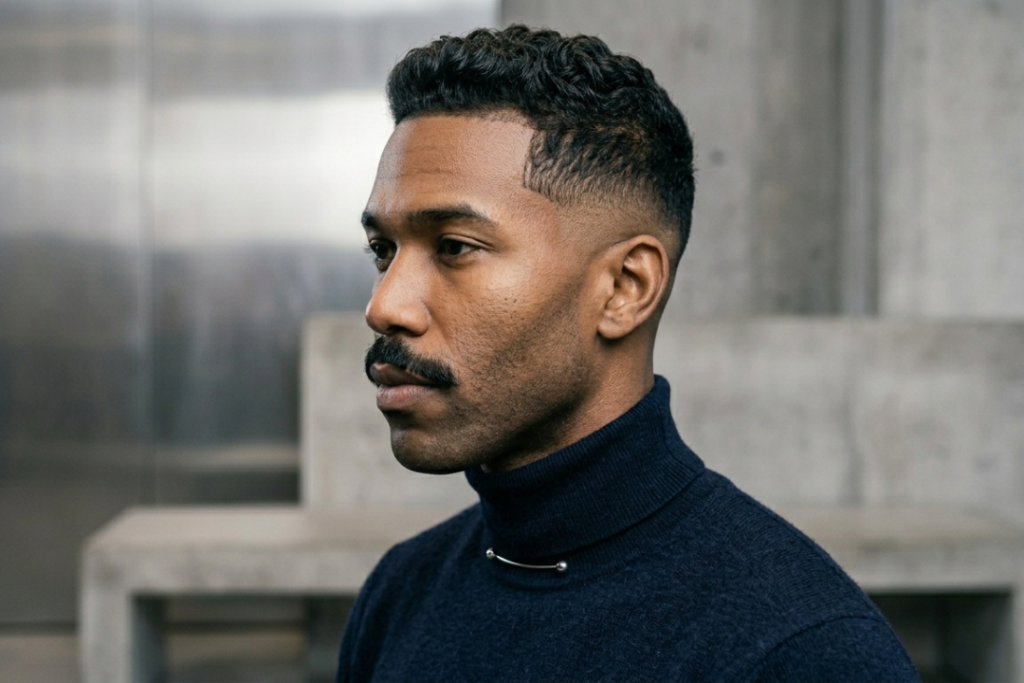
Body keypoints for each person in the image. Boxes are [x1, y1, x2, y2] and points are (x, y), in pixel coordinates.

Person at [337, 25, 919, 682]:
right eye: (383, 251)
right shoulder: (401, 593)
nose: (385, 305)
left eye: (453, 246)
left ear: (624, 288)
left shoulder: (800, 651)